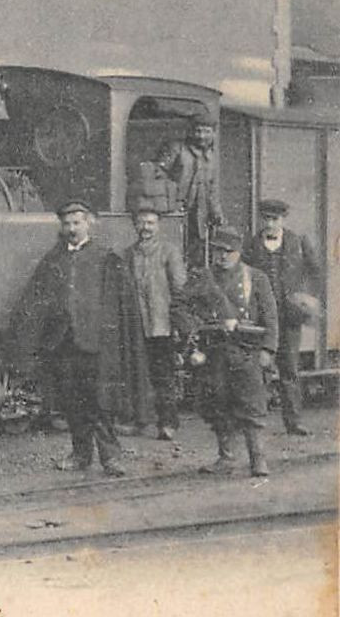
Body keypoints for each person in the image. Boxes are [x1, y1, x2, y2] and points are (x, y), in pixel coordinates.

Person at [18, 199, 139, 477]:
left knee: (101, 402)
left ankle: (111, 457)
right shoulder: (53, 260)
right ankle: (80, 454)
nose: (72, 228)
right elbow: (37, 301)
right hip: (65, 344)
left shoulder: (106, 258)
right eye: (67, 224)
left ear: (89, 223)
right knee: (72, 402)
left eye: (77, 223)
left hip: (95, 345)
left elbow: (121, 308)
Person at [188, 227, 280, 477]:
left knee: (251, 406)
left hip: (246, 351)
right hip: (215, 351)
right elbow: (185, 306)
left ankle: (258, 459)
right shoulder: (204, 278)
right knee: (217, 404)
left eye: (229, 251)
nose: (223, 256)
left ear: (239, 253)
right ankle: (226, 457)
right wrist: (196, 326)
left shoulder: (256, 278)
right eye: (218, 251)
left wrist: (268, 350)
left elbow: (270, 317)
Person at [241, 198, 322, 437]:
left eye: (274, 219)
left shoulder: (298, 241)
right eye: (266, 218)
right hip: (261, 319)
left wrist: (306, 295)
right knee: (258, 369)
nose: (270, 223)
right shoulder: (252, 245)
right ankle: (256, 421)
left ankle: (294, 422)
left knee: (289, 370)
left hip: (289, 317)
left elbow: (315, 271)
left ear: (283, 219)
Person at [123, 203, 190, 439]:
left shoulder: (169, 252)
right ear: (135, 225)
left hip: (162, 325)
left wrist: (178, 323)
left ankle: (168, 423)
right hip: (138, 325)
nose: (145, 228)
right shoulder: (129, 253)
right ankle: (140, 422)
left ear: (158, 226)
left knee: (164, 376)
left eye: (150, 223)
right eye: (141, 223)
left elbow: (180, 288)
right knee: (139, 375)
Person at [156, 117, 224, 268]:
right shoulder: (176, 149)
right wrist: (171, 197)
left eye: (206, 131)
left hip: (199, 215)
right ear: (190, 132)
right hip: (174, 211)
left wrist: (217, 212)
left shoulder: (211, 157)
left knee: (197, 254)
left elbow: (211, 187)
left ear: (213, 134)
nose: (201, 136)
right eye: (197, 131)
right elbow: (158, 173)